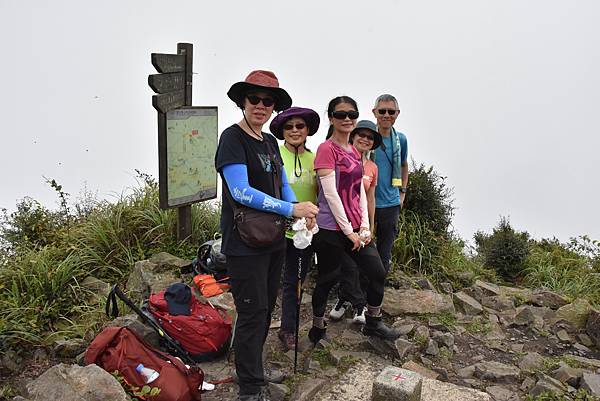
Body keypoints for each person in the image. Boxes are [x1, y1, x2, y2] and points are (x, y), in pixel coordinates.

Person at [215, 70, 319, 401]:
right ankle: (249, 388)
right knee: (251, 312)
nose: (261, 105)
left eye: (268, 101)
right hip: (244, 243)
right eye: (254, 99)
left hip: (273, 240)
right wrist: (291, 211)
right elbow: (241, 192)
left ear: (274, 107)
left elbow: (283, 184)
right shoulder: (233, 139)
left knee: (265, 309)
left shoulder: (270, 141)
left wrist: (301, 211)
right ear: (243, 102)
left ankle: (254, 370)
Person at [309, 96, 400, 344]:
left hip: (353, 228)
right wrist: (348, 230)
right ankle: (318, 326)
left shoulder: (352, 150)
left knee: (377, 272)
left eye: (352, 114)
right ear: (331, 118)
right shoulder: (326, 149)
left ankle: (373, 321)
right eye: (341, 115)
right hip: (330, 228)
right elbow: (330, 194)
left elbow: (360, 191)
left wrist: (365, 226)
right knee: (328, 279)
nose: (347, 119)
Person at [268, 107, 320, 351]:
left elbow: (321, 194)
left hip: (305, 231)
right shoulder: (274, 155)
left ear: (307, 129)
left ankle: (288, 329)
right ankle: (262, 328)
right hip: (277, 228)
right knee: (271, 281)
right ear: (282, 132)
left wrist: (314, 217)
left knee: (296, 281)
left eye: (300, 126)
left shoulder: (315, 159)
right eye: (289, 127)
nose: (295, 131)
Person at [328, 120, 382, 324]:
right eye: (362, 135)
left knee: (367, 267)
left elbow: (370, 198)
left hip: (361, 224)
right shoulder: (339, 157)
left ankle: (350, 302)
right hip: (337, 223)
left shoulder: (372, 167)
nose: (365, 139)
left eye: (370, 137)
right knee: (347, 266)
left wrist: (371, 225)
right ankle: (356, 304)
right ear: (353, 135)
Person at [371, 94, 409, 274]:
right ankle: (357, 295)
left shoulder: (400, 140)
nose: (386, 115)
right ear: (374, 112)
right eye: (382, 111)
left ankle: (377, 294)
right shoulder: (366, 137)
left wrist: (402, 193)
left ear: (397, 113)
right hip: (366, 202)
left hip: (391, 203)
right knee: (363, 248)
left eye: (391, 111)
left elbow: (403, 165)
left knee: (384, 252)